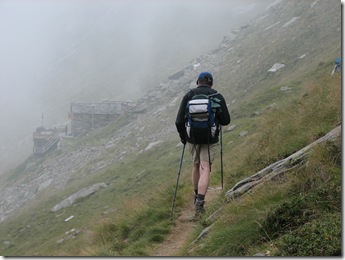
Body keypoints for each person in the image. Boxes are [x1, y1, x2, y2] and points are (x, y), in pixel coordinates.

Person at [175, 72, 230, 220]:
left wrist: (183, 137)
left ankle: (195, 196)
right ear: (211, 82)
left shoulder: (189, 95)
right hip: (209, 138)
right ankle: (200, 202)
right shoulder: (216, 96)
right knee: (205, 166)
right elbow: (226, 120)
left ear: (197, 82)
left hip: (192, 138)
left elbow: (179, 121)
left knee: (196, 165)